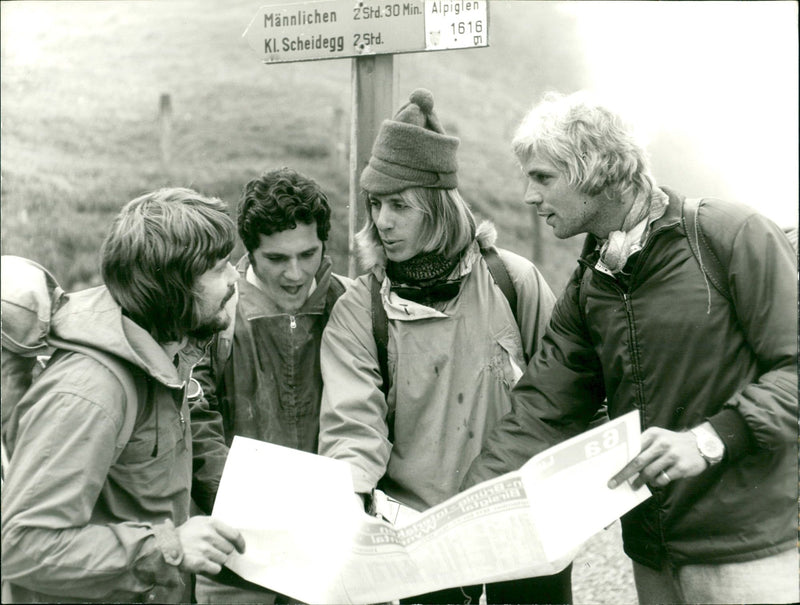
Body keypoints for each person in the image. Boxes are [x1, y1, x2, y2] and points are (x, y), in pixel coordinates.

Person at [462, 91, 798, 604]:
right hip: (652, 553)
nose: (529, 196)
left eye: (543, 177)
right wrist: (469, 508)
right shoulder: (591, 279)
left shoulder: (732, 234)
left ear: (596, 171)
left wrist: (709, 439)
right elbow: (542, 409)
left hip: (749, 550)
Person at [318, 88, 570, 604]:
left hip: (519, 524)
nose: (382, 221)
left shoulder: (512, 282)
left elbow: (562, 393)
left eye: (399, 206)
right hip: (420, 538)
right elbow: (353, 425)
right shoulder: (359, 311)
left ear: (437, 207)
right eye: (376, 204)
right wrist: (349, 491)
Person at [1, 188, 246, 603]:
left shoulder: (162, 350)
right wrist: (168, 548)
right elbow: (21, 545)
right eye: (219, 268)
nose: (235, 277)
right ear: (175, 290)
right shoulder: (91, 391)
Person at [190, 167, 351, 604]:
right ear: (250, 253)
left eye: (308, 254)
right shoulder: (215, 313)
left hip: (335, 561)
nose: (296, 274)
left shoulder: (354, 306)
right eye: (277, 259)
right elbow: (196, 428)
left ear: (324, 244)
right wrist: (261, 517)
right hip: (239, 566)